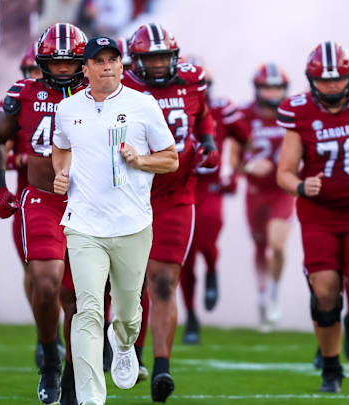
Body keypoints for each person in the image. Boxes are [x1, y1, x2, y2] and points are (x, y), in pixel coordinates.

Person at [52, 36, 178, 405]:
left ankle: (123, 344)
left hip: (132, 224)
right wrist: (62, 173)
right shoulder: (67, 109)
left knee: (127, 312)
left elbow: (170, 159)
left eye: (113, 60)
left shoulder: (143, 105)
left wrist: (140, 161)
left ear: (122, 66)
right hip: (83, 225)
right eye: (99, 61)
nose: (106, 66)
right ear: (85, 69)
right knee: (87, 309)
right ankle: (92, 398)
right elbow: (61, 147)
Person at [0, 23, 87, 405]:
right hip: (42, 198)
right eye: (54, 63)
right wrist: (0, 189)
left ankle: (75, 381)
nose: (62, 69)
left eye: (69, 62)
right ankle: (49, 358)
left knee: (80, 300)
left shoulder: (102, 93)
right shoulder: (24, 93)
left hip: (89, 204)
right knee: (46, 285)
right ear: (42, 63)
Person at [276, 41, 349, 393]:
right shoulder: (299, 111)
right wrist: (299, 185)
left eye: (338, 79)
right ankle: (332, 369)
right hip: (320, 214)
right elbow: (284, 172)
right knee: (324, 293)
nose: (332, 87)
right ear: (311, 81)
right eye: (324, 81)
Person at [122, 23, 219, 403]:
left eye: (165, 56)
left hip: (177, 193)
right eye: (152, 57)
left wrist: (208, 139)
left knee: (163, 281)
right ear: (137, 60)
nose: (160, 64)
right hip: (130, 194)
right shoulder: (121, 86)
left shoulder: (193, 81)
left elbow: (203, 115)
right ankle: (130, 350)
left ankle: (161, 368)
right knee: (127, 282)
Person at [180, 59, 246, 344]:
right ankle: (192, 316)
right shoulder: (165, 105)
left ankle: (212, 268)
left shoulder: (220, 108)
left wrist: (235, 170)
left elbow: (244, 138)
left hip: (209, 186)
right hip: (179, 185)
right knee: (184, 257)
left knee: (205, 242)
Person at [234, 63, 294, 330]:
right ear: (258, 89)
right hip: (256, 192)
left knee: (277, 245)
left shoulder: (292, 112)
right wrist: (249, 166)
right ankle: (261, 293)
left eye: (277, 87)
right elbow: (233, 159)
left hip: (282, 190)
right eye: (268, 87)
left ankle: (274, 291)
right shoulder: (244, 115)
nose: (273, 92)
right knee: (260, 247)